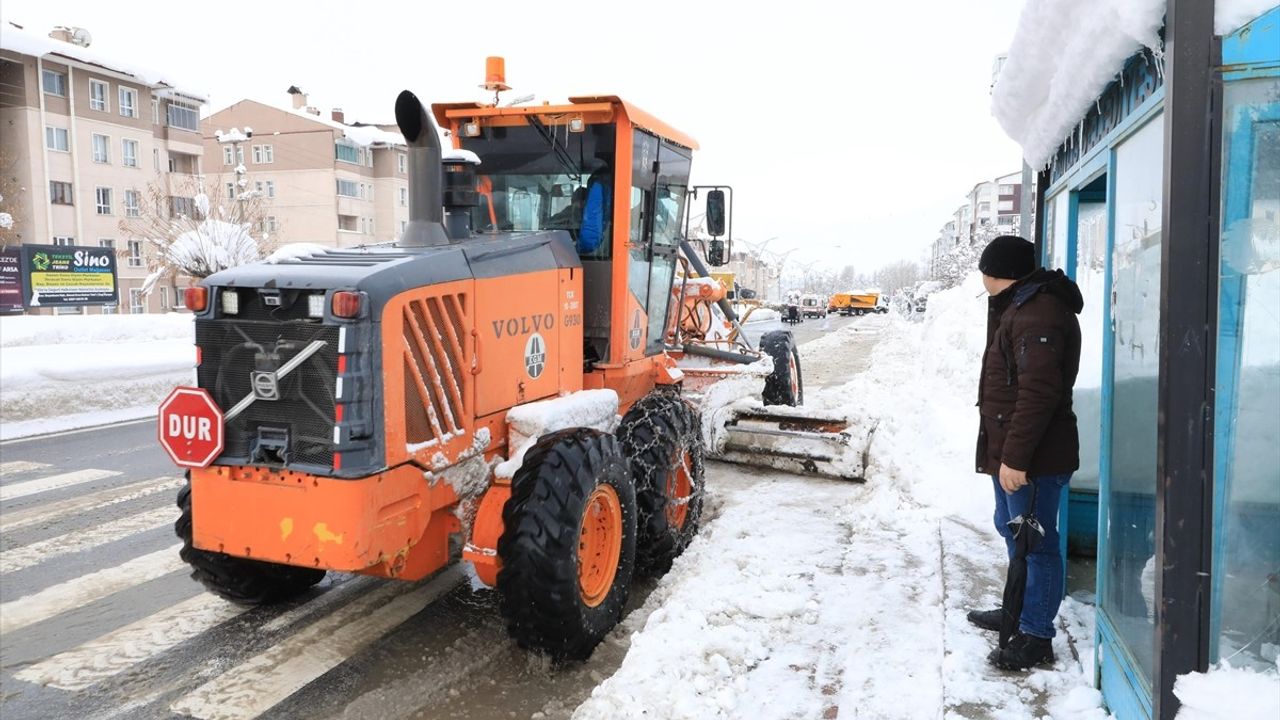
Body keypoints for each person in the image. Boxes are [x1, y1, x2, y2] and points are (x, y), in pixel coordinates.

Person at [967, 235, 1083, 671]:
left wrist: (1015, 461)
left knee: (1036, 544)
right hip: (1015, 453)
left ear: (996, 273)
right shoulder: (1021, 305)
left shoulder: (1037, 313)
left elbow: (1038, 394)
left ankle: (1036, 634)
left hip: (1033, 458)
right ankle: (1018, 608)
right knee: (1014, 532)